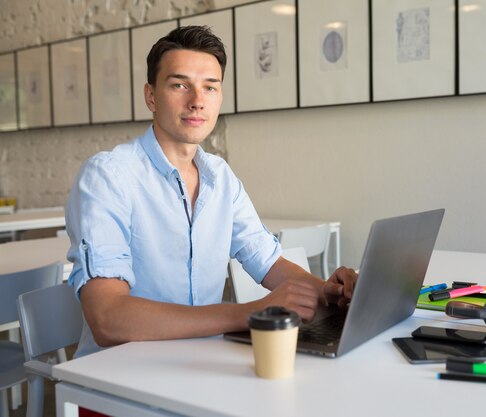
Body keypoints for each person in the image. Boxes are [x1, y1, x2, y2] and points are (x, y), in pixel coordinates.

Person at [66, 25, 357, 360]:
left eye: (210, 87)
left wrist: (327, 291)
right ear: (150, 96)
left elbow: (268, 260)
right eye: (179, 85)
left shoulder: (220, 177)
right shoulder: (108, 176)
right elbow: (107, 318)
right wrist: (248, 312)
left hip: (200, 363)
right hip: (117, 378)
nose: (197, 102)